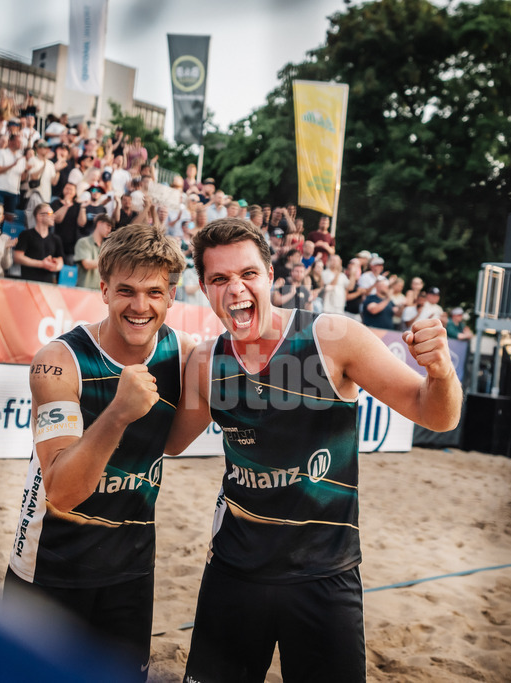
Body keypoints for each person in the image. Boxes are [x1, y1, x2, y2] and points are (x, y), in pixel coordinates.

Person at [164, 218, 462, 683]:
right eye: (219, 279)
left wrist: (442, 373)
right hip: (234, 572)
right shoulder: (206, 362)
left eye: (248, 274)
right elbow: (172, 442)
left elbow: (436, 415)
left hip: (325, 574)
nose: (235, 289)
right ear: (204, 289)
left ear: (269, 277)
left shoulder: (331, 338)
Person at [4, 223, 191, 681]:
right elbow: (63, 491)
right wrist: (117, 414)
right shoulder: (59, 361)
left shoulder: (181, 354)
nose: (140, 306)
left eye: (154, 292)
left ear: (171, 297)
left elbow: (174, 443)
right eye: (126, 291)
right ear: (103, 290)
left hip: (132, 568)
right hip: (51, 565)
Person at [13, 203, 63, 283]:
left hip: (47, 284)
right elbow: (17, 257)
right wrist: (42, 264)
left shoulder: (56, 239)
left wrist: (55, 265)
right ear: (39, 216)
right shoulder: (26, 235)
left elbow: (60, 260)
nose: (53, 216)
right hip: (28, 282)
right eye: (50, 213)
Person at [74, 213, 113, 290]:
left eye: (111, 227)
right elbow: (87, 264)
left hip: (99, 292)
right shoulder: (83, 242)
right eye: (108, 226)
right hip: (84, 290)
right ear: (99, 223)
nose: (109, 230)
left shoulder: (106, 247)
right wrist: (110, 262)